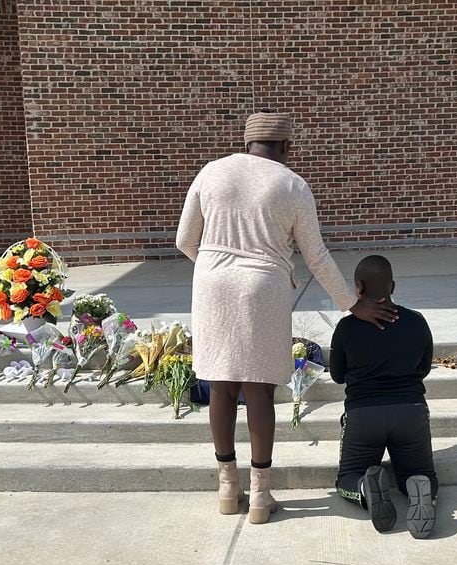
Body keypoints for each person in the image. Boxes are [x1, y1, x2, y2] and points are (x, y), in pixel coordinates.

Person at [176, 110, 396, 524]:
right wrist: (352, 303)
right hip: (264, 287)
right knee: (258, 392)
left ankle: (227, 486)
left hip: (212, 284)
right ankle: (260, 495)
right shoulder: (293, 184)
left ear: (247, 143)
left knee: (221, 386)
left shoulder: (210, 172)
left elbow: (184, 239)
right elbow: (316, 254)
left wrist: (216, 266)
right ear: (285, 147)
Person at [330, 254, 438, 538]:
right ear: (393, 286)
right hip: (410, 412)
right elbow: (423, 369)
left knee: (348, 477)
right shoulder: (417, 322)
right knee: (422, 474)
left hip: (364, 416)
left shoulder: (346, 328)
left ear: (358, 288)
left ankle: (366, 488)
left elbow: (338, 376)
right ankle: (418, 488)